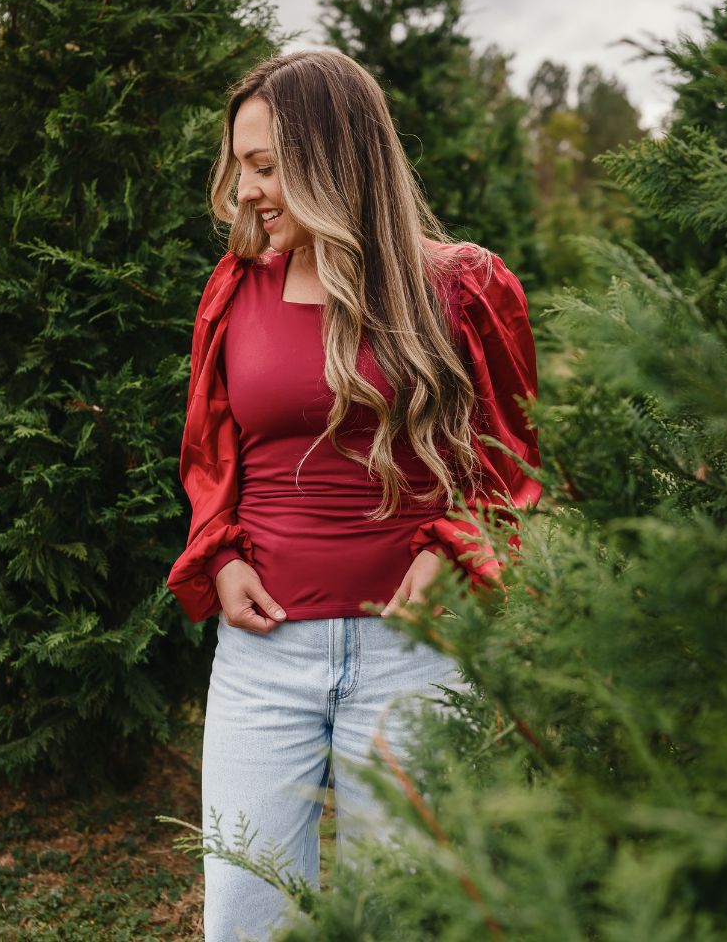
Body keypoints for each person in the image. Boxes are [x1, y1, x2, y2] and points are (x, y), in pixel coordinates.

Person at [167, 49, 542, 942]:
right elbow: (210, 453)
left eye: (266, 167)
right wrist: (218, 556)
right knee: (244, 917)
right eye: (240, 165)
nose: (245, 190)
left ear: (335, 159)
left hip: (413, 655)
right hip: (262, 660)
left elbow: (512, 460)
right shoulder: (235, 289)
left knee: (411, 919)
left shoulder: (461, 286)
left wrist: (457, 546)